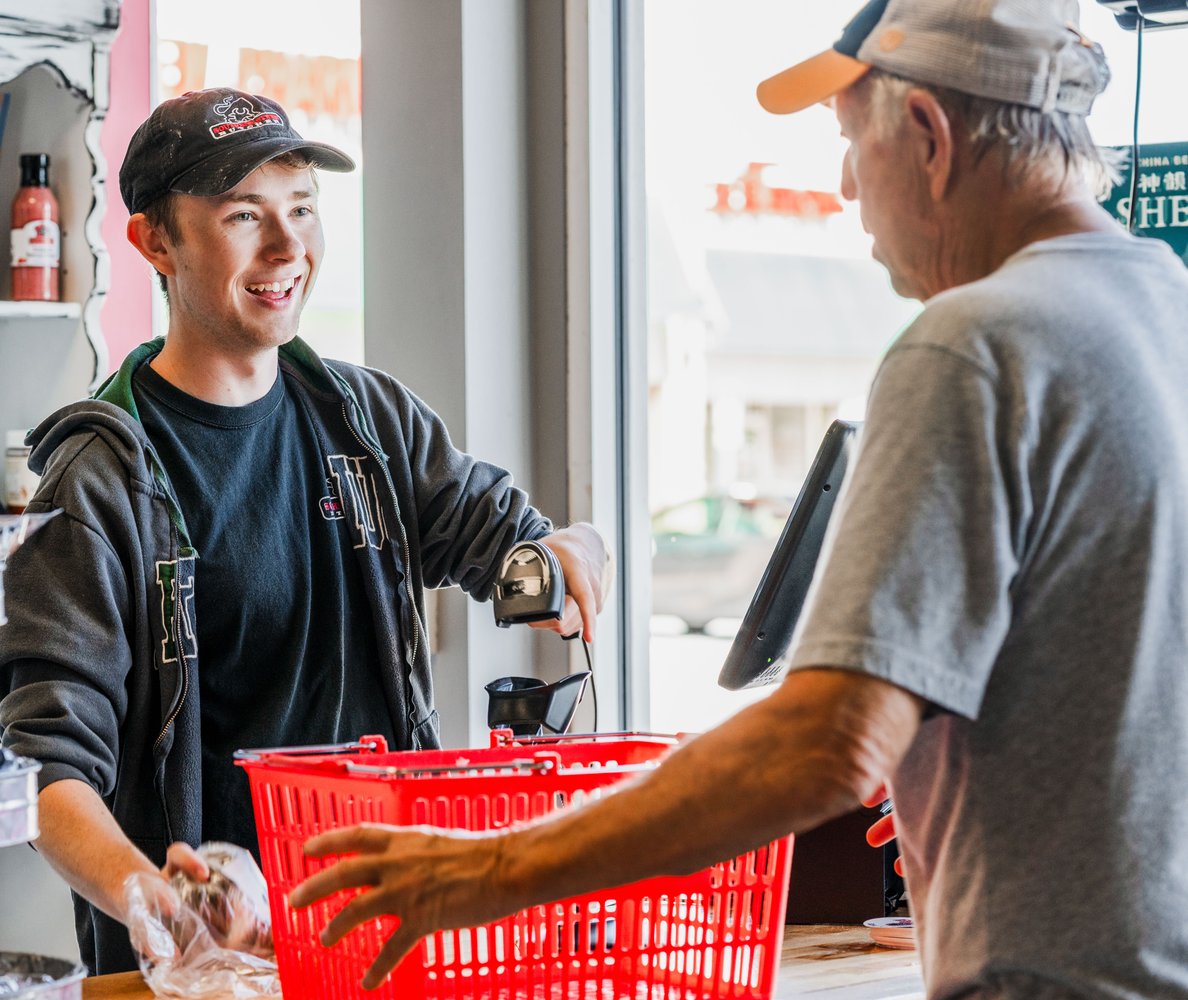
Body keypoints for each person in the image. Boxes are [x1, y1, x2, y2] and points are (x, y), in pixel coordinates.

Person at [291, 2, 1188, 997]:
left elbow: (829, 741)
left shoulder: (974, 344)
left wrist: (493, 868)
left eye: (851, 144)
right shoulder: (1162, 309)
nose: (846, 185)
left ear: (929, 137)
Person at [0, 87, 612, 976]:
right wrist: (157, 905)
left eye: (303, 210)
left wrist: (572, 549)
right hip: (210, 972)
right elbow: (47, 769)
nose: (288, 248)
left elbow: (512, 539)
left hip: (391, 940)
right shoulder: (98, 481)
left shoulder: (368, 420)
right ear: (154, 242)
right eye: (245, 215)